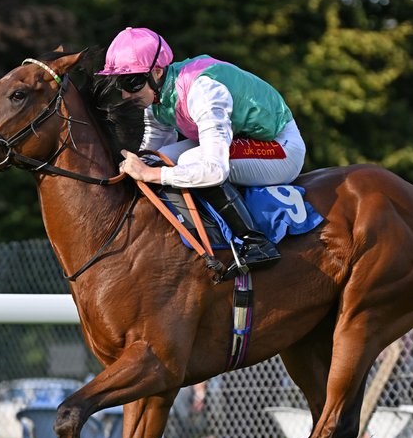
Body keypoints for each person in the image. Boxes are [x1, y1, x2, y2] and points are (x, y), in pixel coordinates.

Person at [97, 26, 307, 277]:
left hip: (281, 148)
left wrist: (152, 175)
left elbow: (214, 170)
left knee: (190, 161)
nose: (124, 93)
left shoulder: (204, 91)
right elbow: (154, 151)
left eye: (131, 82)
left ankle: (256, 243)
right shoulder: (156, 98)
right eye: (118, 83)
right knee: (159, 159)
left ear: (157, 71)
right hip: (242, 141)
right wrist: (139, 166)